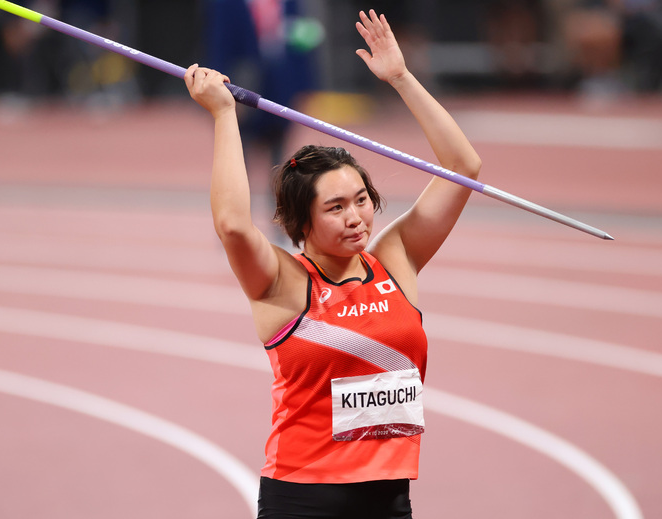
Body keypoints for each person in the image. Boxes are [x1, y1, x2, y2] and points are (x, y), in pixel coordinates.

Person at [184, 9, 481, 519]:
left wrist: (401, 79)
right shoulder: (282, 281)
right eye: (336, 208)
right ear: (302, 221)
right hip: (303, 498)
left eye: (362, 199)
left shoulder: (395, 259)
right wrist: (224, 114)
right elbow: (233, 224)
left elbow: (462, 168)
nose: (356, 218)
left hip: (390, 496)